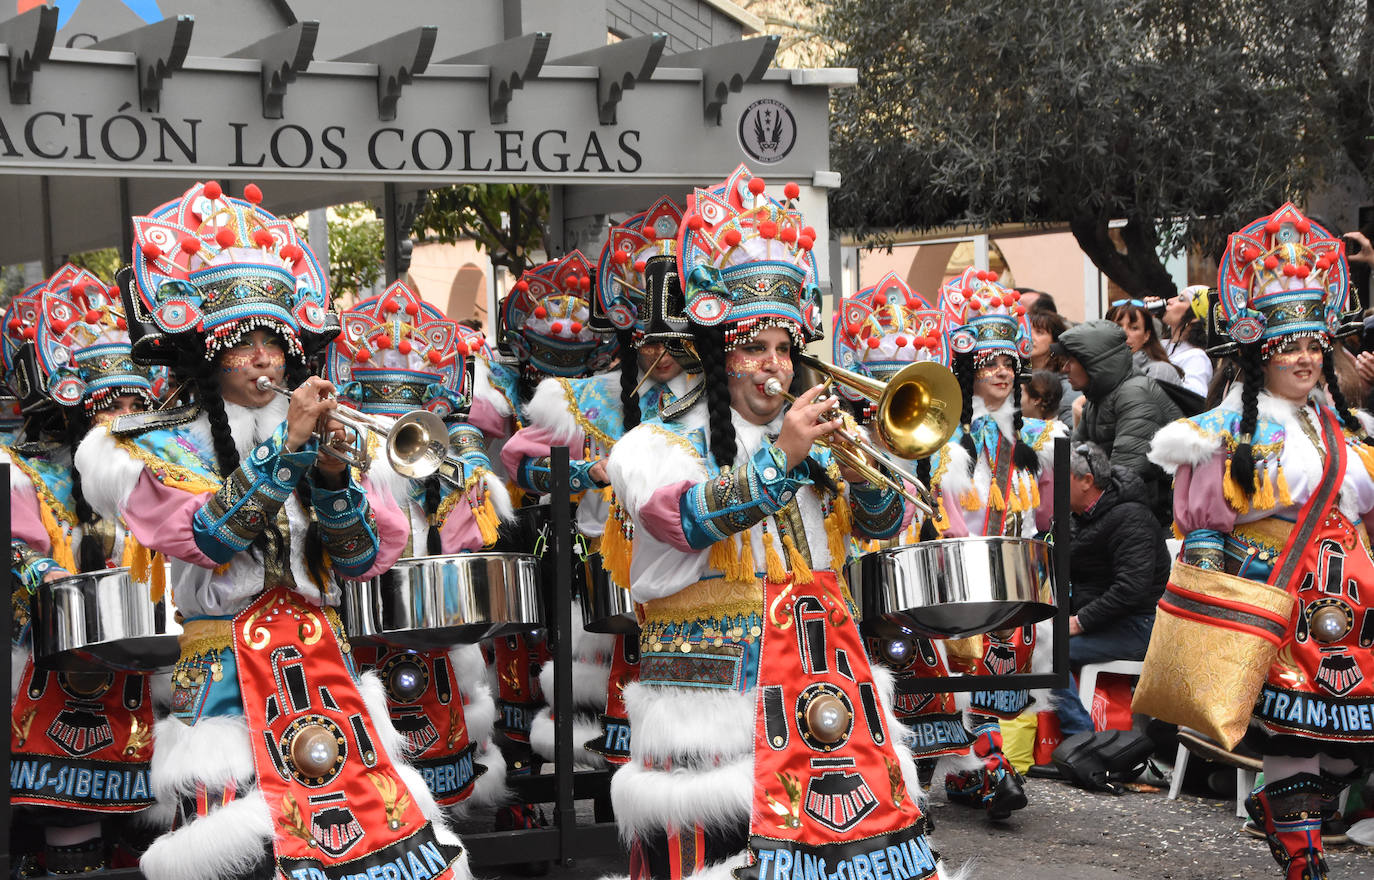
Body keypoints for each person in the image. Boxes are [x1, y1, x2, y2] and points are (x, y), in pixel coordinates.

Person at [74, 182, 468, 880]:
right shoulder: (151, 445)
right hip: (224, 672)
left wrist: (332, 478)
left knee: (369, 847)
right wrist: (284, 454)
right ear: (204, 348)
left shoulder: (324, 431)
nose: (262, 359)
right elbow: (210, 539)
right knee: (242, 855)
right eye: (240, 342)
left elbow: (361, 557)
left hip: (326, 665)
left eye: (273, 341)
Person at [608, 166, 949, 880]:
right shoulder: (651, 444)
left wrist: (863, 469)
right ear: (716, 353)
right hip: (707, 700)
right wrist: (783, 455)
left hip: (820, 680)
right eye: (753, 347)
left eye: (784, 349)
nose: (774, 366)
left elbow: (881, 525)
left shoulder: (814, 438)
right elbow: (688, 520)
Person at [1148, 204, 1374, 880]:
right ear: (1259, 351)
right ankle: (1302, 850)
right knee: (1297, 732)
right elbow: (1203, 528)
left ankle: (1289, 813)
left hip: (1353, 605)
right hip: (1278, 601)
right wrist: (1219, 612)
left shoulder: (1345, 426)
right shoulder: (1223, 432)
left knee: (1347, 744)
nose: (1305, 359)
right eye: (1289, 348)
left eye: (1313, 346)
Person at [325, 281, 511, 813]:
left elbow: (472, 516)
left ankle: (440, 828)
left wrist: (468, 480)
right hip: (360, 611)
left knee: (432, 709)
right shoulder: (341, 444)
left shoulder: (446, 442)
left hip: (423, 610)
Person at [4, 265, 162, 875]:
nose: (123, 417)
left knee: (156, 817)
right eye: (108, 405)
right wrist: (47, 574)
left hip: (147, 655)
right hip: (60, 661)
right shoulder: (22, 470)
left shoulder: (154, 466)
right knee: (74, 817)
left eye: (133, 403)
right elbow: (21, 549)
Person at [927, 267, 1063, 820]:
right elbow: (947, 515)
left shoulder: (1032, 439)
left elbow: (1040, 516)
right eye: (990, 362)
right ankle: (982, 766)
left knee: (996, 676)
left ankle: (978, 768)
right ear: (966, 367)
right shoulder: (945, 440)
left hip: (1012, 570)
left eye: (1010, 362)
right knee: (959, 673)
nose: (1003, 372)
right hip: (964, 571)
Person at [1050, 442, 1168, 737]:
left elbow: (1132, 588)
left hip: (1140, 625)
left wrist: (1080, 622)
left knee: (1049, 654)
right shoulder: (1084, 517)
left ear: (1086, 481)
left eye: (1062, 480)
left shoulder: (1131, 518)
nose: (1054, 488)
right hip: (1111, 622)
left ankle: (1081, 739)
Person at [1053, 319, 1182, 524]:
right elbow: (1073, 458)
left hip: (1156, 521)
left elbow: (1129, 472)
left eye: (1071, 361)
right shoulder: (1098, 396)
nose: (1065, 369)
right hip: (1125, 512)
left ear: (1094, 362)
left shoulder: (1135, 393)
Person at [1106, 300, 1185, 387]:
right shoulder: (1099, 369)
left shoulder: (1160, 370)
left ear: (1146, 336)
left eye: (1134, 328)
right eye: (1117, 326)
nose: (1124, 333)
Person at [1027, 310, 1080, 423]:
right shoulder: (1014, 374)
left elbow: (1070, 428)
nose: (1030, 337)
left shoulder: (1066, 381)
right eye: (1026, 331)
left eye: (1039, 332)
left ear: (1055, 340)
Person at [1162, 285, 1215, 396]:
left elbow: (1195, 397)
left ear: (1194, 317)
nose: (1169, 301)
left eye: (1181, 299)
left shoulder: (1196, 357)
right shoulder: (1161, 345)